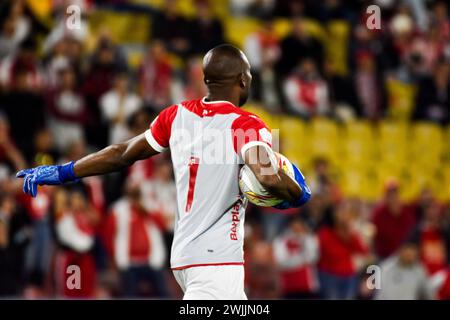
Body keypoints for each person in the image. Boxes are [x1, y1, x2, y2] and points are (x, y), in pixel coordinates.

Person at [15, 44, 311, 300]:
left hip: (185, 256)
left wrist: (63, 171)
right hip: (215, 261)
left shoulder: (176, 116)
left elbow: (121, 154)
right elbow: (268, 175)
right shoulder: (247, 124)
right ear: (242, 80)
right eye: (248, 74)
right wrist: (297, 193)